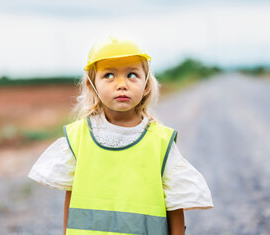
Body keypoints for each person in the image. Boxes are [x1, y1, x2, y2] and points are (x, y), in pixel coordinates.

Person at [28, 35, 213, 235]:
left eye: (132, 74)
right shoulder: (78, 138)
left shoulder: (161, 142)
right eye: (109, 75)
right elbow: (72, 202)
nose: (122, 84)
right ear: (92, 85)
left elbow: (175, 205)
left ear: (146, 86)